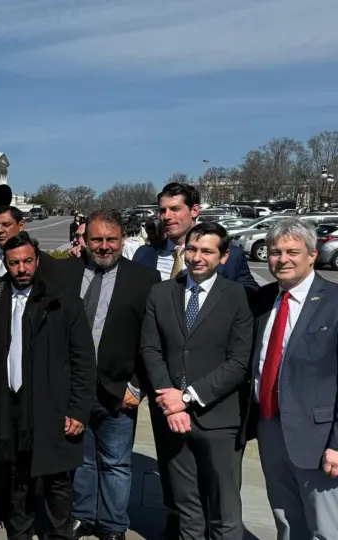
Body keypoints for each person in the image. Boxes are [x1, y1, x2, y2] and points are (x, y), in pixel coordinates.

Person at [141, 222, 253, 540]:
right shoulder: (161, 292)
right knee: (187, 510)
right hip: (172, 420)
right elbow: (150, 349)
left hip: (218, 420)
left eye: (207, 251)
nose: (197, 257)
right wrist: (170, 400)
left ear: (224, 256)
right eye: (192, 249)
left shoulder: (236, 297)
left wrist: (187, 397)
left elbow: (238, 363)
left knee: (224, 514)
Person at [0, 232, 95, 540]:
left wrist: (78, 410)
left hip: (53, 407)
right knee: (17, 482)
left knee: (56, 483)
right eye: (14, 263)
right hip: (10, 406)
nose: (21, 269)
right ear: (5, 264)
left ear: (37, 260)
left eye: (27, 261)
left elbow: (84, 362)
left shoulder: (63, 302)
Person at [59, 210, 160, 540]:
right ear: (84, 241)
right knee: (83, 459)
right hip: (74, 389)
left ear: (121, 240)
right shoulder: (65, 273)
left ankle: (114, 525)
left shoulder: (144, 280)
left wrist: (138, 385)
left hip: (119, 388)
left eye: (110, 240)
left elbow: (151, 340)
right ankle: (83, 515)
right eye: (96, 240)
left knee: (116, 463)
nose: (103, 246)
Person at [243, 219, 338, 539]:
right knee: (285, 517)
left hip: (318, 436)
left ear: (312, 255)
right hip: (270, 426)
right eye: (274, 252)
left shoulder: (335, 301)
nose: (282, 259)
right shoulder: (262, 299)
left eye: (292, 252)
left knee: (325, 526)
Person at [132, 182, 257, 290]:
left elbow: (251, 296)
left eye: (175, 209)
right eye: (163, 210)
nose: (167, 217)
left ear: (195, 211)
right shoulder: (144, 255)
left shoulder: (231, 257)